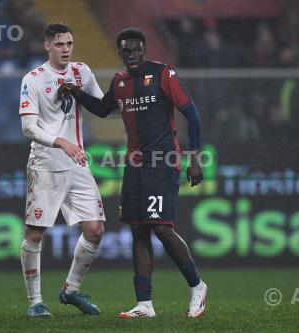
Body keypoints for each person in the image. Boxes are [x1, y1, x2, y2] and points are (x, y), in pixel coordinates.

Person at [58, 27, 207, 318]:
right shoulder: (121, 81)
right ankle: (144, 304)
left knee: (161, 228)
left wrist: (196, 157)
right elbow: (103, 109)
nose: (133, 55)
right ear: (121, 53)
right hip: (135, 164)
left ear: (145, 49)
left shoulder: (163, 74)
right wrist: (77, 92)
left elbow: (192, 113)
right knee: (139, 230)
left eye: (137, 49)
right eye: (127, 51)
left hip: (163, 162)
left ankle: (197, 286)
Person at [19, 22, 105, 318]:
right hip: (45, 164)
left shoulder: (83, 71)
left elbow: (102, 106)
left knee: (95, 230)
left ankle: (70, 290)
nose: (66, 49)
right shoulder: (33, 79)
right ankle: (35, 302)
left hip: (76, 163)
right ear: (47, 46)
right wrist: (61, 142)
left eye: (69, 44)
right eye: (59, 44)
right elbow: (29, 127)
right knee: (35, 233)